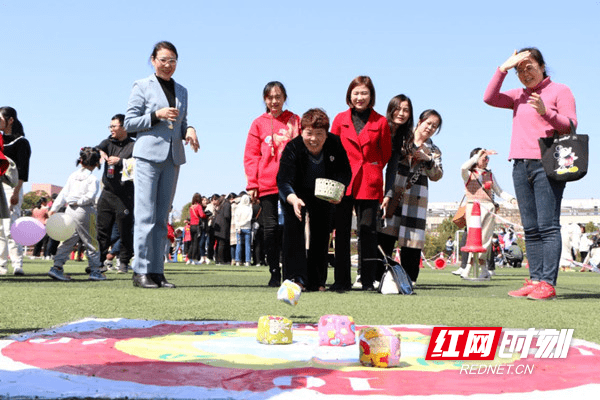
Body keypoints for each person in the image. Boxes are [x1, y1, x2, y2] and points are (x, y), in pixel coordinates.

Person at [484, 47, 577, 300]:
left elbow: (571, 125)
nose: (525, 74)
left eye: (529, 67)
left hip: (547, 163)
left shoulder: (560, 90)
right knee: (531, 227)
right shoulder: (518, 95)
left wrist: (546, 112)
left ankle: (548, 282)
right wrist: (503, 67)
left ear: (542, 66)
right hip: (519, 164)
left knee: (548, 226)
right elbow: (489, 98)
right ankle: (535, 279)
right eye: (519, 71)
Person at [124, 41, 199, 289]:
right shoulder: (141, 86)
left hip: (173, 157)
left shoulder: (182, 90)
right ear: (153, 60)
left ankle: (157, 271)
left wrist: (190, 130)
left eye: (173, 60)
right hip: (147, 156)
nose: (168, 65)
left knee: (161, 217)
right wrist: (156, 115)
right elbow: (129, 124)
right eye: (163, 60)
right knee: (144, 215)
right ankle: (141, 271)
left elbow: (183, 121)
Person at [277, 108, 352, 291]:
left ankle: (317, 280)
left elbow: (345, 172)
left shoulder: (335, 143)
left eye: (319, 134)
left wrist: (340, 190)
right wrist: (293, 198)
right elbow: (283, 179)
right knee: (294, 232)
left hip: (323, 192)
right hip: (296, 194)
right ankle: (295, 279)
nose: (314, 139)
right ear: (301, 131)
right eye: (309, 133)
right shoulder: (292, 147)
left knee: (320, 233)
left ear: (327, 134)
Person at [331, 76, 392, 291]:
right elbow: (333, 150)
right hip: (344, 181)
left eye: (364, 93)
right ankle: (341, 280)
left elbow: (385, 153)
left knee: (367, 231)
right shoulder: (339, 119)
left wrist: (372, 168)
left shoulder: (381, 121)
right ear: (349, 95)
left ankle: (368, 280)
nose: (359, 97)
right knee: (342, 231)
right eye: (356, 93)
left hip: (369, 180)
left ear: (371, 96)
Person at [244, 81, 300, 286]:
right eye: (270, 97)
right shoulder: (258, 123)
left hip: (290, 182)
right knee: (270, 228)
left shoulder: (294, 120)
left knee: (292, 227)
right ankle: (274, 271)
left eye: (278, 96)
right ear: (265, 99)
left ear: (284, 98)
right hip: (266, 180)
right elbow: (251, 155)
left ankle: (291, 270)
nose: (274, 101)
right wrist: (252, 183)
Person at [382, 109, 443, 285]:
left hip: (417, 197)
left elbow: (437, 175)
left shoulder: (434, 150)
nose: (430, 128)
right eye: (428, 123)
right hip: (394, 191)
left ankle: (409, 278)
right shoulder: (402, 138)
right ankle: (380, 275)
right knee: (386, 233)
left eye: (435, 126)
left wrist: (428, 159)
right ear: (419, 121)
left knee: (412, 238)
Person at [453, 148, 516, 279]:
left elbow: (499, 191)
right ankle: (470, 267)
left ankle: (482, 269)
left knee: (486, 240)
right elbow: (462, 167)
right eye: (484, 158)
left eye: (488, 158)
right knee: (473, 238)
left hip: (489, 208)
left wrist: (512, 199)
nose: (487, 160)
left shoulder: (489, 175)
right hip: (473, 208)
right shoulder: (468, 174)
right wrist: (477, 156)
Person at [47, 147, 104, 281]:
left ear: (80, 161)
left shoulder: (73, 176)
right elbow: (91, 196)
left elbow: (63, 193)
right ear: (96, 164)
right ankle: (95, 270)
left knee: (68, 239)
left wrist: (54, 207)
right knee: (91, 241)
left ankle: (57, 267)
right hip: (84, 211)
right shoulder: (93, 179)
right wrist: (79, 201)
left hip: (69, 210)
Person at [376, 94, 414, 282]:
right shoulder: (381, 125)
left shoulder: (401, 135)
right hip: (365, 179)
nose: (401, 113)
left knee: (378, 228)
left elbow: (391, 166)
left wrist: (388, 193)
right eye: (397, 108)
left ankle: (376, 275)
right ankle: (363, 275)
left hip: (382, 184)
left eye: (406, 110)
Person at [96, 114, 135, 274]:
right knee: (102, 230)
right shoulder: (107, 142)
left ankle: (124, 262)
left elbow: (138, 164)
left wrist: (120, 162)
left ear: (124, 127)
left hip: (125, 195)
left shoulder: (134, 145)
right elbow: (97, 149)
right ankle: (98, 262)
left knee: (125, 231)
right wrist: (100, 153)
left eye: (114, 126)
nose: (111, 129)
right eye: (110, 126)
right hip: (107, 193)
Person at [0, 106, 32, 275]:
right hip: (0, 185)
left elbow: (23, 169)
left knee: (10, 226)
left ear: (10, 120)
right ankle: (1, 264)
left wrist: (16, 192)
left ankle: (17, 263)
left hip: (12, 187)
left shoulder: (21, 142)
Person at [234, 194, 253, 266]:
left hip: (239, 228)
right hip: (247, 228)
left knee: (238, 244)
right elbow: (249, 219)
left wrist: (239, 226)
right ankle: (247, 261)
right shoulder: (249, 208)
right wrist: (243, 223)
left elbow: (236, 219)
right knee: (248, 245)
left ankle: (238, 261)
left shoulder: (238, 208)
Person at [189, 193, 206, 265]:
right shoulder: (199, 206)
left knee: (192, 242)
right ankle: (194, 259)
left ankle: (189, 258)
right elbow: (201, 215)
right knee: (196, 242)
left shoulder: (191, 207)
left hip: (191, 226)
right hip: (197, 225)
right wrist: (206, 215)